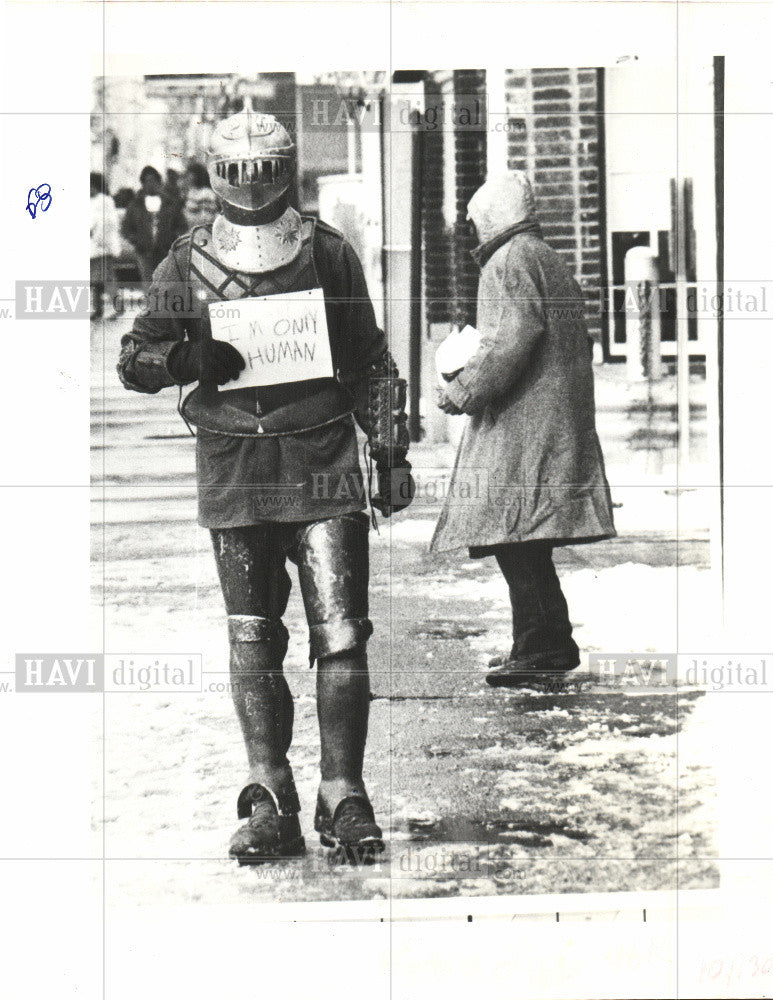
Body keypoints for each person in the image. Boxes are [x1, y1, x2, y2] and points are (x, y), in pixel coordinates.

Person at [117, 110, 414, 864]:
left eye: (261, 170)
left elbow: (369, 359)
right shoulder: (185, 263)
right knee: (252, 636)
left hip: (320, 459)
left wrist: (388, 448)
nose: (250, 185)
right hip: (236, 466)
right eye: (237, 171)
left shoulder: (326, 253)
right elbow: (136, 358)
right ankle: (268, 788)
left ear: (282, 171)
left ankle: (342, 789)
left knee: (341, 637)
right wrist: (186, 357)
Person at [431, 171, 616, 686]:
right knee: (525, 536)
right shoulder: (543, 256)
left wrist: (461, 390)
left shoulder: (506, 261)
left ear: (491, 218)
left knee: (515, 533)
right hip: (550, 417)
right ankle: (542, 641)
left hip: (525, 422)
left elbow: (507, 340)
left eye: (472, 223)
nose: (471, 234)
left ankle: (542, 647)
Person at [121, 166, 183, 283]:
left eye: (154, 181)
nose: (151, 184)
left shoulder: (170, 203)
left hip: (166, 251)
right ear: (143, 184)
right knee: (148, 283)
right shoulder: (135, 204)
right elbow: (126, 228)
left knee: (165, 283)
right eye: (147, 181)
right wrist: (136, 240)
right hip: (144, 252)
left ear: (159, 182)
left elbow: (181, 224)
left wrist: (173, 239)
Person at [89, 172, 121, 320]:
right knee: (95, 280)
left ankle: (117, 306)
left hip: (102, 246)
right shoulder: (92, 201)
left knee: (107, 279)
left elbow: (107, 224)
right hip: (94, 247)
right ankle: (98, 309)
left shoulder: (105, 201)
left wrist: (98, 239)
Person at [180, 164, 219, 231]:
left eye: (190, 175)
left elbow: (208, 215)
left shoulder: (207, 193)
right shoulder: (190, 191)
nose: (188, 178)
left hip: (202, 229)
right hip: (190, 228)